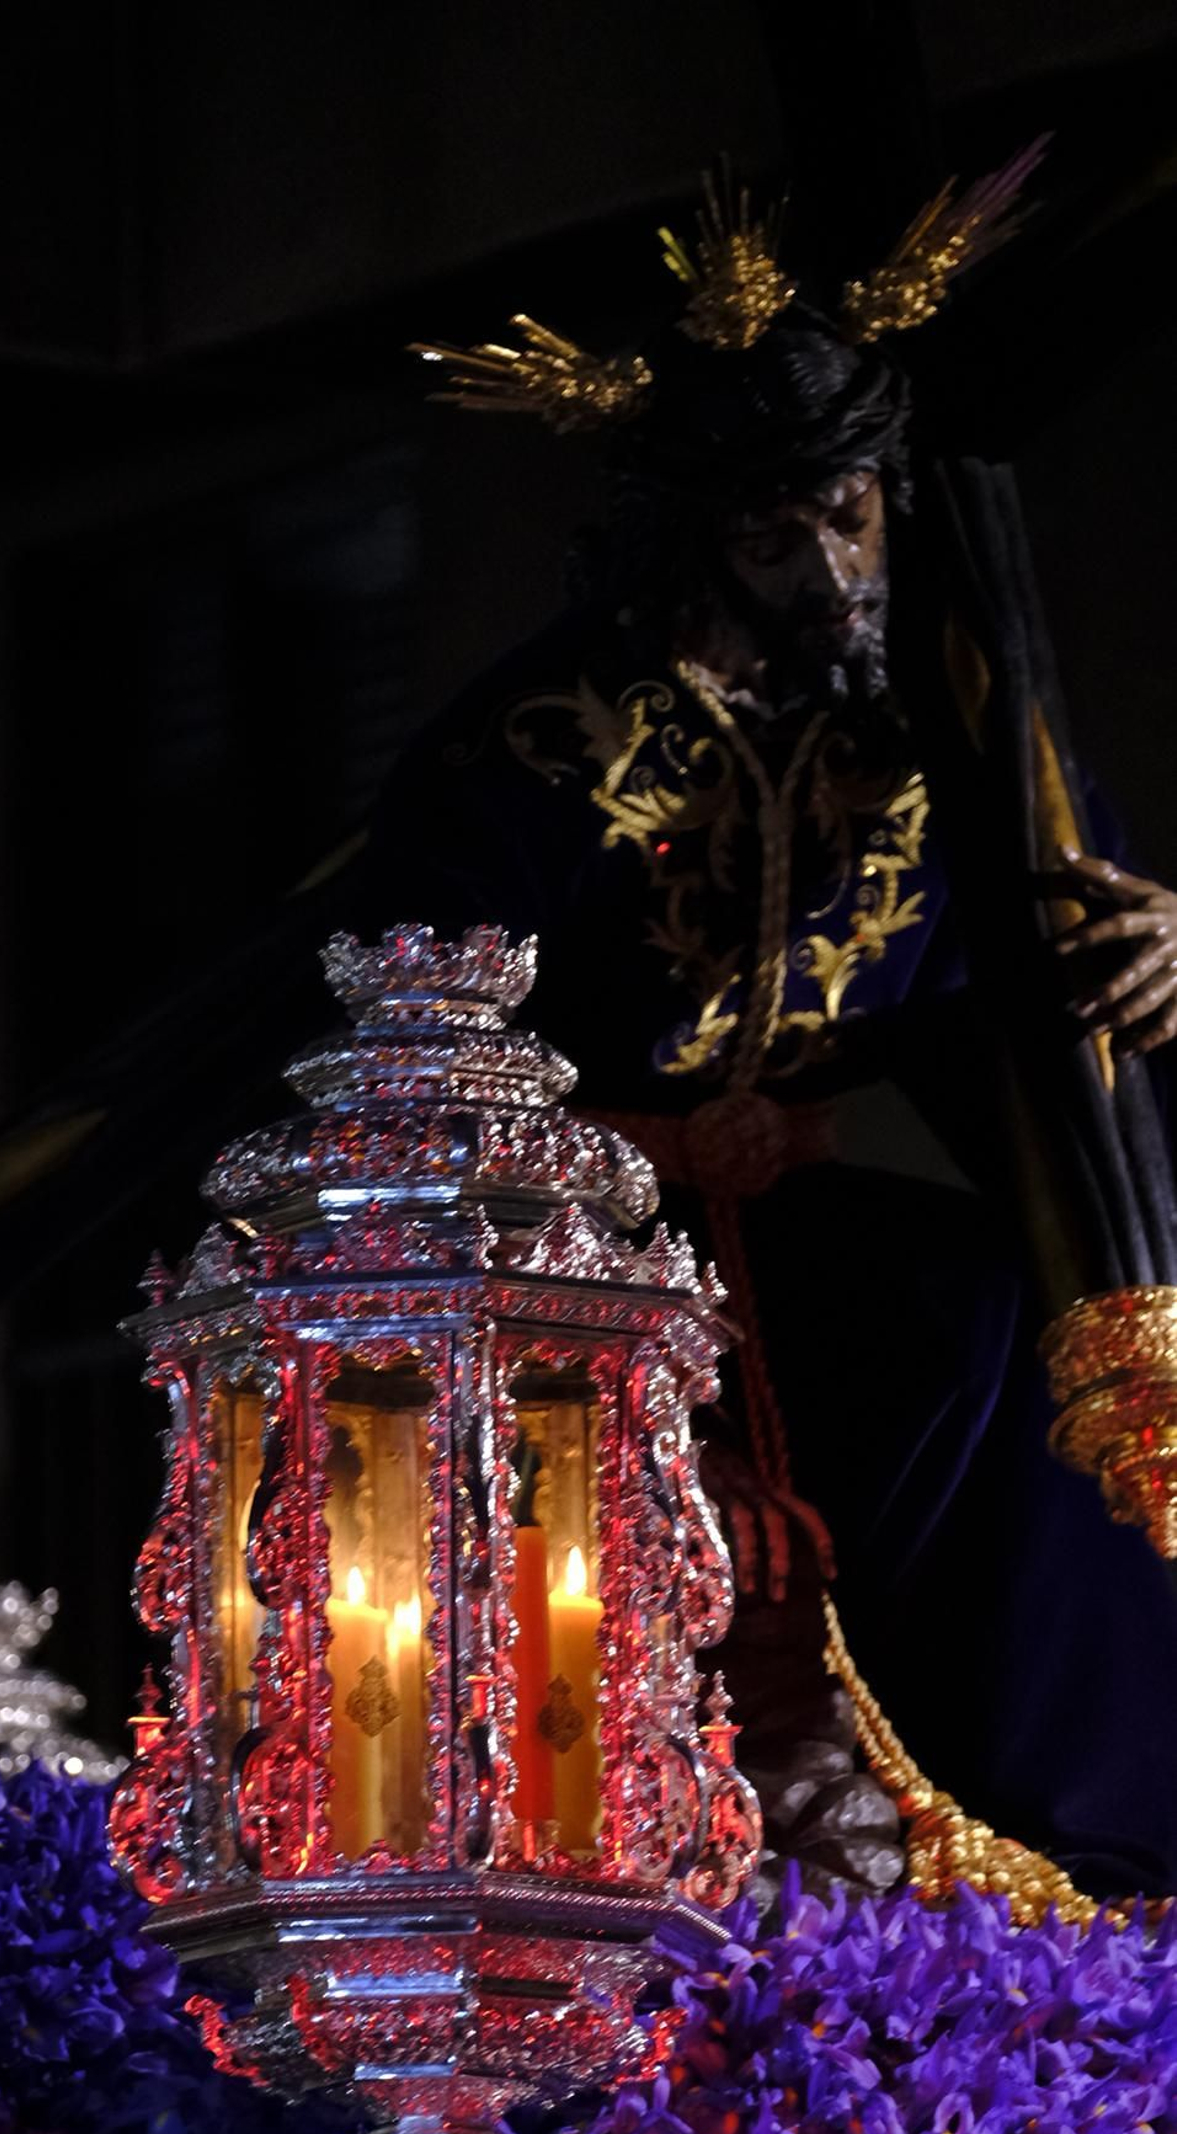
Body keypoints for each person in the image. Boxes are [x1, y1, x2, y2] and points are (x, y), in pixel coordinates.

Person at [358, 166, 1177, 1906]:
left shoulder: (931, 721)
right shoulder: (534, 750)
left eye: (853, 518)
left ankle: (1062, 1843)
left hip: (780, 1229)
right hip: (558, 1250)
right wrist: (615, 1168)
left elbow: (1052, 951)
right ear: (692, 543)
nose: (829, 572)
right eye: (774, 535)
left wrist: (1156, 952)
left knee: (1000, 1326)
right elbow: (409, 1045)